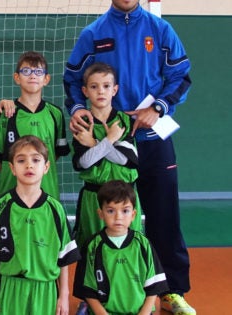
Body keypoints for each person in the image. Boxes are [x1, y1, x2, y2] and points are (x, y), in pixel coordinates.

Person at [63, 1, 194, 313]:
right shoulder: (93, 33)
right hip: (109, 140)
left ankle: (171, 292)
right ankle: (94, 296)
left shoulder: (160, 30)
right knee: (108, 222)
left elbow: (181, 76)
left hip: (153, 138)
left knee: (164, 217)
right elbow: (73, 81)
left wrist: (158, 107)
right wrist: (79, 108)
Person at [0, 135, 80, 315]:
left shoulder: (55, 209)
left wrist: (64, 294)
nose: (29, 165)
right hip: (10, 289)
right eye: (21, 160)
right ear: (12, 168)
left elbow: (64, 257)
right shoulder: (1, 206)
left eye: (35, 160)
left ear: (46, 167)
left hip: (45, 290)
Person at [71, 62, 142, 248]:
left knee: (129, 249)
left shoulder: (124, 120)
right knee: (92, 251)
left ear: (115, 89)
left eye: (106, 86)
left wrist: (95, 144)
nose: (100, 91)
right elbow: (84, 163)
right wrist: (111, 140)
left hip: (125, 196)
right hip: (93, 198)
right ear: (85, 91)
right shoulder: (81, 123)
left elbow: (127, 160)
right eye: (94, 87)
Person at [73, 180, 169, 315]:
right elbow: (87, 290)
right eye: (111, 211)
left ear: (133, 215)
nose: (118, 217)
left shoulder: (143, 244)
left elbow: (154, 287)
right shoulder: (92, 246)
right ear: (101, 214)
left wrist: (144, 313)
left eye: (125, 211)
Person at [0, 51, 70, 201]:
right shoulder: (7, 112)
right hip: (10, 194)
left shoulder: (55, 114)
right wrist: (13, 171)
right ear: (17, 78)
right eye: (26, 71)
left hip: (47, 192)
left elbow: (55, 153)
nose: (32, 76)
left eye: (38, 72)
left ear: (46, 79)